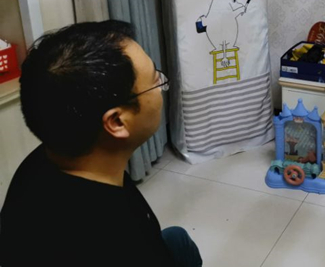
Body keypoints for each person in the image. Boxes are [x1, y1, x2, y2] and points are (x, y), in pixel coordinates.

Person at [0, 21, 202, 267]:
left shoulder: (43, 160)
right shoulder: (117, 242)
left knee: (177, 238)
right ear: (117, 121)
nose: (160, 88)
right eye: (155, 81)